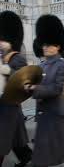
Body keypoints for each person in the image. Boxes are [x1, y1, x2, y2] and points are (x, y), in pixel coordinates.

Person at [25, 14, 64, 167]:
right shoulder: (41, 66)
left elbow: (57, 89)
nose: (45, 47)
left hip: (55, 114)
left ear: (57, 46)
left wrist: (36, 89)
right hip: (43, 114)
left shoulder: (62, 65)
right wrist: (27, 86)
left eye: (48, 44)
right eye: (44, 44)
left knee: (53, 149)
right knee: (62, 146)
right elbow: (36, 86)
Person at [0, 10, 32, 167]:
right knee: (17, 144)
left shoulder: (18, 59)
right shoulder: (2, 57)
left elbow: (22, 83)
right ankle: (28, 158)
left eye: (3, 39)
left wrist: (8, 71)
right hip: (4, 109)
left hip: (9, 110)